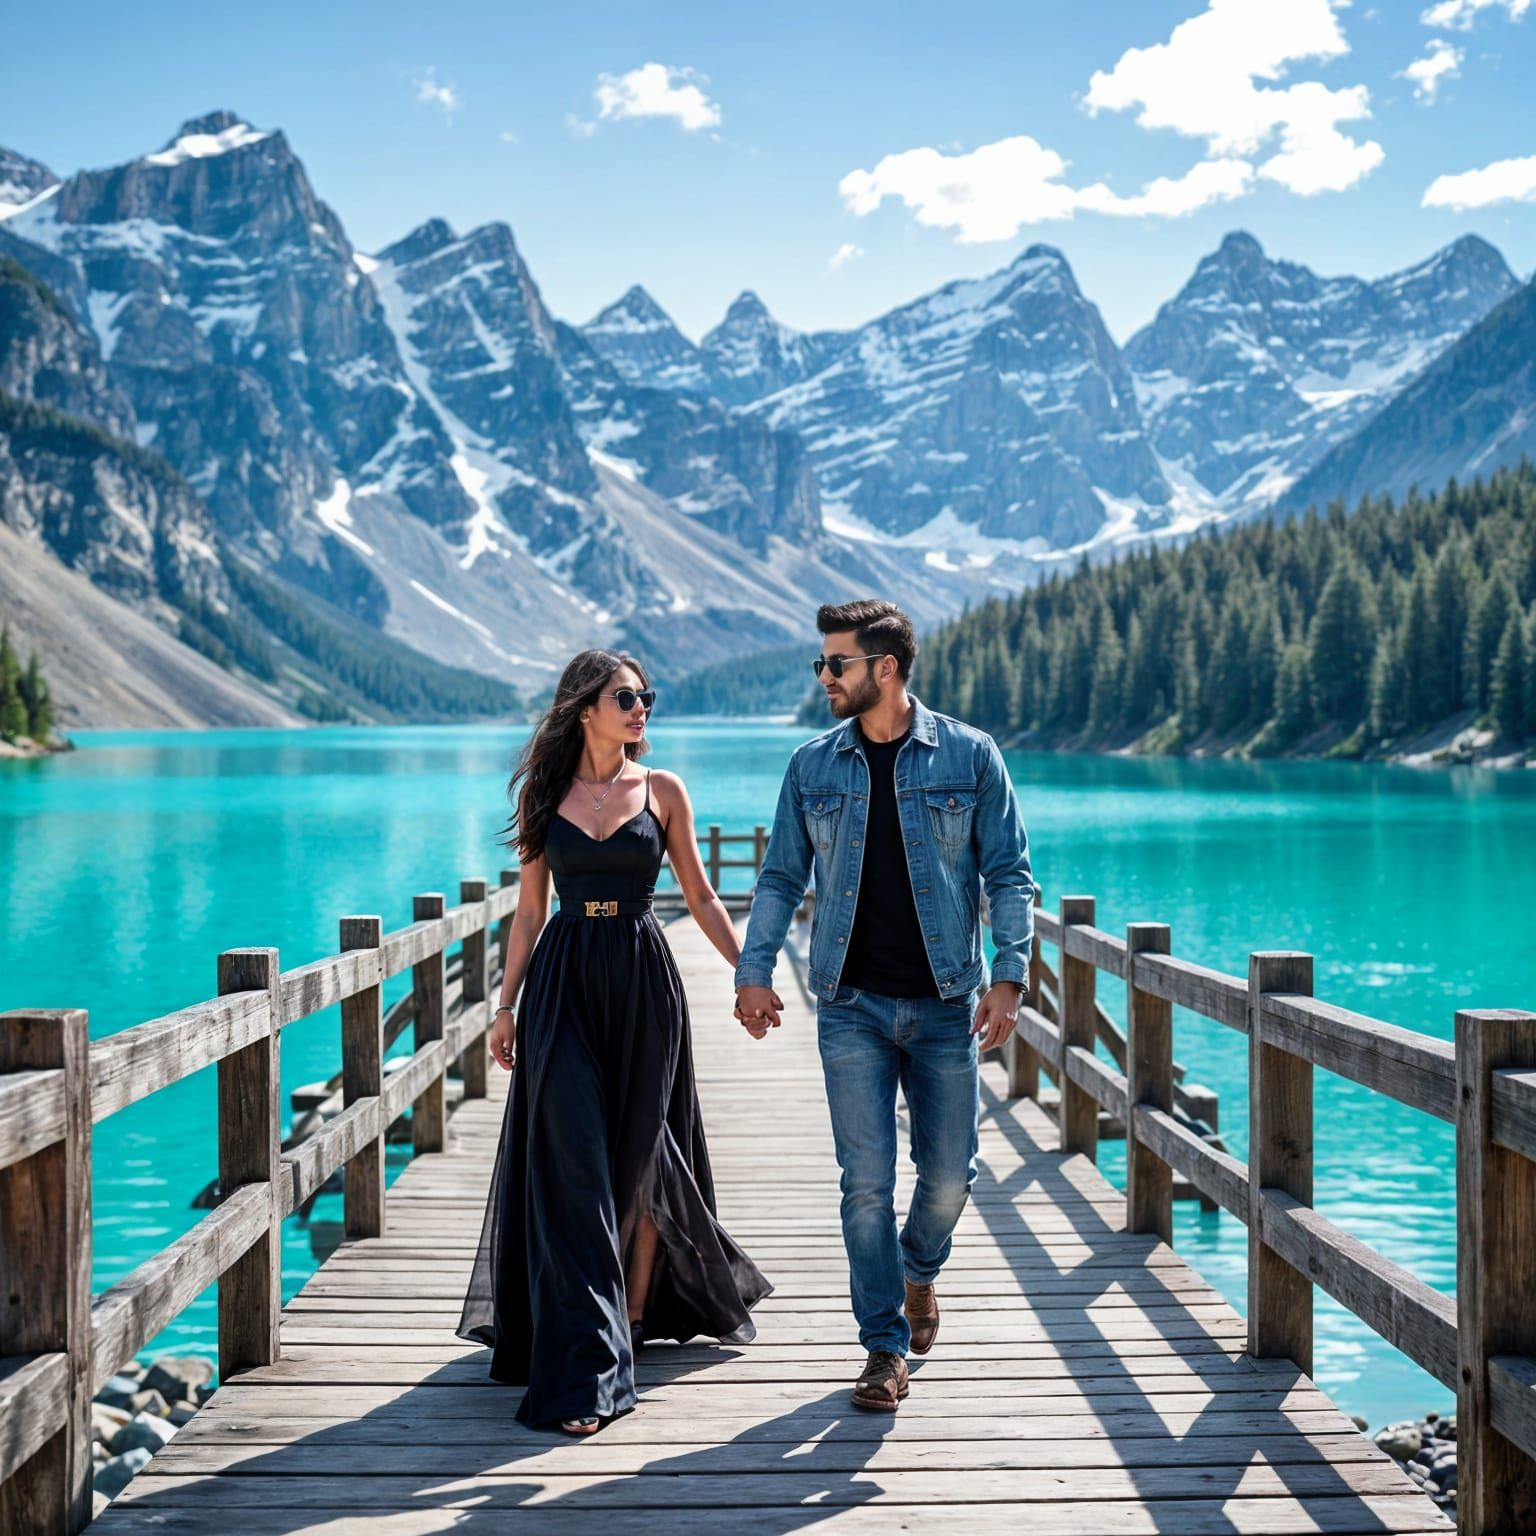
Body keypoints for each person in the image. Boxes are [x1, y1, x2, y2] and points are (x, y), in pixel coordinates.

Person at [457, 648, 772, 1435]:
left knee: (636, 1161)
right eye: (627, 697)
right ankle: (589, 1365)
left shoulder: (663, 791)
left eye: (646, 697)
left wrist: (749, 974)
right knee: (575, 1168)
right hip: (562, 984)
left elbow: (701, 896)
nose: (642, 710)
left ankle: (628, 1316)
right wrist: (505, 1005)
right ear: (585, 707)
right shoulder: (543, 793)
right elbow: (530, 912)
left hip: (641, 982)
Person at [734, 599, 1033, 1412]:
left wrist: (1010, 977)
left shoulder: (970, 756)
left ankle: (918, 1271)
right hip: (851, 1005)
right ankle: (883, 1348)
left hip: (945, 1003)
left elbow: (1009, 873)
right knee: (865, 1181)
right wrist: (754, 970)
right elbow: (780, 877)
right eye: (821, 664)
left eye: (837, 664)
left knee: (950, 1178)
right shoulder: (812, 766)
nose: (824, 678)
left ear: (886, 668)